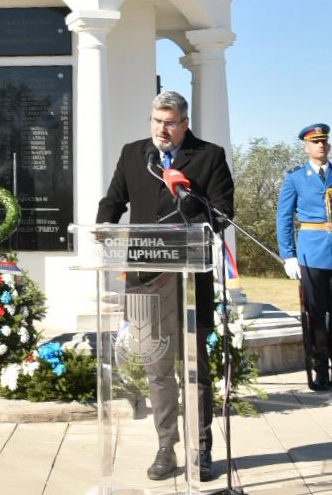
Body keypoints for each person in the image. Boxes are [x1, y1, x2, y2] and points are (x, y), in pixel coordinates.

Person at [97, 91, 234, 482]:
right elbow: (114, 199)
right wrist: (103, 226)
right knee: (157, 366)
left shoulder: (209, 156)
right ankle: (165, 447)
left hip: (189, 279)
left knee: (195, 366)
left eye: (170, 122)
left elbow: (224, 211)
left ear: (184, 123)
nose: (162, 129)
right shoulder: (133, 153)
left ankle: (202, 447)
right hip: (143, 274)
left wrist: (190, 202)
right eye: (156, 121)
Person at [276, 123, 332, 392]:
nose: (321, 145)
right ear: (306, 146)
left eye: (324, 141)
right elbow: (283, 218)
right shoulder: (295, 177)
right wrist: (288, 256)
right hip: (310, 254)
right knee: (315, 315)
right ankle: (320, 372)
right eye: (315, 141)